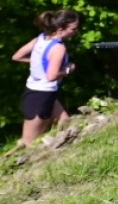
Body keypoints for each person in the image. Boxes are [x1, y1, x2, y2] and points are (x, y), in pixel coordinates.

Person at [12, 9, 81, 147]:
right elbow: (51, 76)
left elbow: (17, 57)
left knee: (66, 124)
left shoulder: (40, 38)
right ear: (61, 29)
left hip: (35, 91)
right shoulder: (59, 48)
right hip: (41, 96)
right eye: (74, 29)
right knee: (29, 144)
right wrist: (68, 69)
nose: (77, 31)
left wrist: (38, 62)